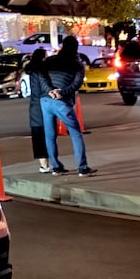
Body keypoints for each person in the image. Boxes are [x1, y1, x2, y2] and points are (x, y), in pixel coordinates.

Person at [40, 35, 97, 177]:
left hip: (46, 100)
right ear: (76, 48)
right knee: (75, 133)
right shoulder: (77, 64)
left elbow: (42, 76)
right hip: (62, 102)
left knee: (50, 135)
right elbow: (76, 84)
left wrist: (49, 90)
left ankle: (56, 167)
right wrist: (62, 92)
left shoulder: (50, 60)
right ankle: (82, 168)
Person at [21, 48, 51, 172]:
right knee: (48, 134)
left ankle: (44, 165)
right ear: (43, 58)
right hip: (44, 103)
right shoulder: (43, 71)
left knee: (38, 135)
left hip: (34, 104)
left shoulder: (28, 71)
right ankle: (51, 162)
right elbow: (45, 86)